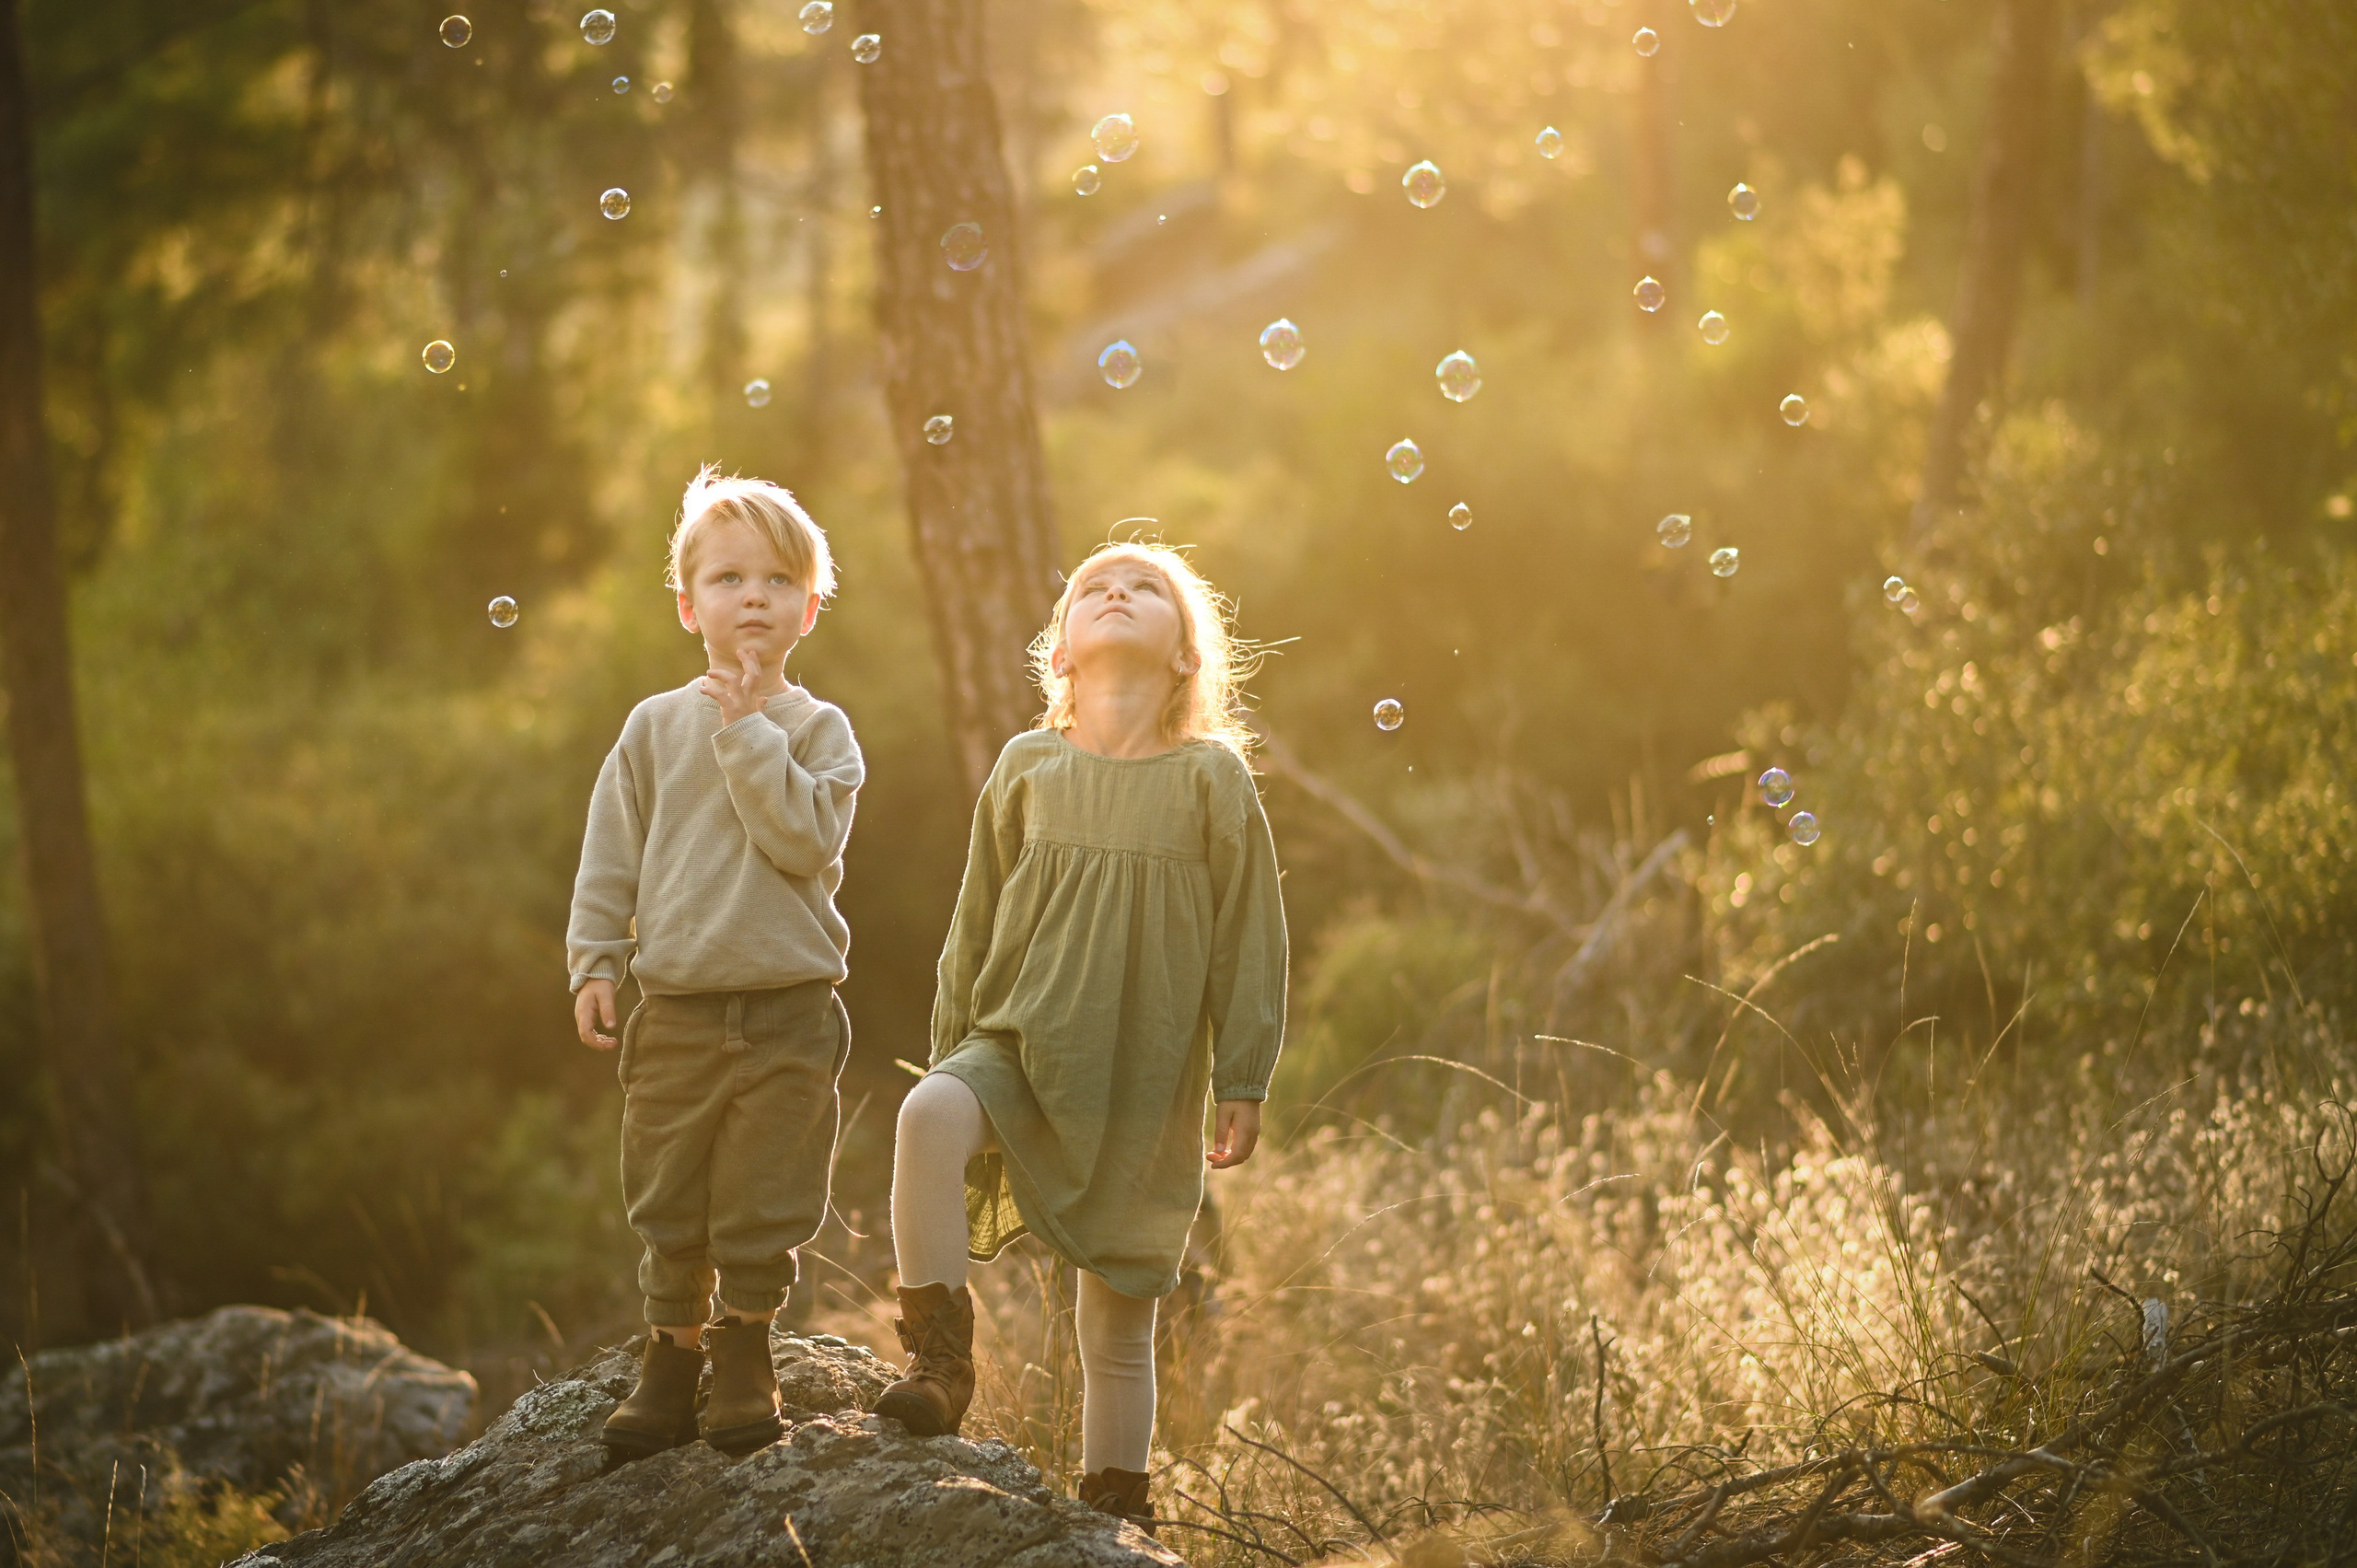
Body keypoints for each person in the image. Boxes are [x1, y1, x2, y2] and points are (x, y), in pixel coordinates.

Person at [872, 540, 1287, 1534]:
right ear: (1059, 652)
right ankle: (940, 1356)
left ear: (1187, 657)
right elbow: (971, 923)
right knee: (927, 1113)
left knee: (1117, 1323)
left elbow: (1250, 938)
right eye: (1094, 587)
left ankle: (1117, 1508)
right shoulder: (1028, 765)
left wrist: (1244, 1074)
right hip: (1014, 1044)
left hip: (1142, 1079)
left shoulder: (1210, 780)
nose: (1116, 592)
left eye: (1146, 588)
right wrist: (950, 1044)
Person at [566, 467, 864, 1461]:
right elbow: (609, 852)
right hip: (681, 1006)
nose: (753, 596)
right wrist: (595, 959)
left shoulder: (820, 732)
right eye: (730, 577)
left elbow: (799, 842)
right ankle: (671, 1347)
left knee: (764, 1191)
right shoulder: (653, 726)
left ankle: (743, 1342)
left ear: (807, 609)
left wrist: (746, 729)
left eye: (778, 580)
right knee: (669, 1190)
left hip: (789, 1006)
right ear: (690, 603)